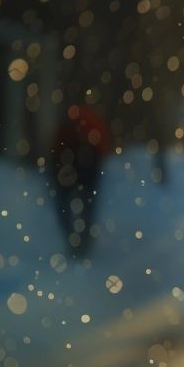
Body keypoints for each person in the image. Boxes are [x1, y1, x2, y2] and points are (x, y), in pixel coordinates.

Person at [47, 102, 110, 254]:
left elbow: (56, 146)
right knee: (87, 203)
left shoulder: (70, 119)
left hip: (70, 163)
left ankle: (73, 240)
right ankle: (83, 241)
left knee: (64, 203)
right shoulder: (91, 119)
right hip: (88, 163)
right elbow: (104, 143)